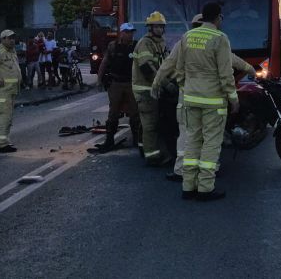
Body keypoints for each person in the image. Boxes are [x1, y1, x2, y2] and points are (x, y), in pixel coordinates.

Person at [153, 13, 255, 183]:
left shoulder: (184, 41)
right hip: (210, 100)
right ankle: (209, 170)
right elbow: (232, 62)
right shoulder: (215, 41)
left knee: (187, 137)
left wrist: (157, 83)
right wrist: (250, 70)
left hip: (187, 100)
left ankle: (182, 171)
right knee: (210, 138)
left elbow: (168, 64)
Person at [175, 3, 239, 201]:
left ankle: (188, 186)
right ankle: (205, 188)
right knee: (211, 144)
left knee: (192, 141)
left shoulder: (188, 36)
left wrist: (186, 87)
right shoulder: (220, 39)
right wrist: (233, 97)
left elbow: (179, 69)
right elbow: (226, 73)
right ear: (218, 17)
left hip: (190, 99)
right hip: (213, 102)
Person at [93, 23, 142, 153]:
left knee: (134, 112)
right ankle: (109, 139)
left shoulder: (137, 45)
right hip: (116, 83)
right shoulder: (113, 46)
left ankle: (137, 139)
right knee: (113, 112)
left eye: (132, 32)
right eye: (127, 32)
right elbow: (104, 63)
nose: (130, 34)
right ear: (122, 33)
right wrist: (99, 80)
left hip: (131, 82)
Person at [132, 11, 170, 166]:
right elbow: (146, 67)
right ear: (150, 27)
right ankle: (152, 157)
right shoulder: (145, 43)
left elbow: (166, 63)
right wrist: (166, 83)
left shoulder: (160, 42)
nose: (159, 29)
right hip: (145, 90)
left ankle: (144, 148)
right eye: (156, 26)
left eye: (161, 27)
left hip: (153, 88)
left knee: (149, 123)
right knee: (150, 125)